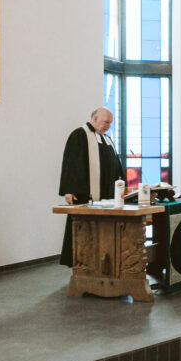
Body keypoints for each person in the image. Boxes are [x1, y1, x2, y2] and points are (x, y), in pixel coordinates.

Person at [58, 107, 124, 266]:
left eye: (110, 123)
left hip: (107, 199)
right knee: (84, 234)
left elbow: (116, 166)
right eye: (106, 122)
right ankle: (81, 266)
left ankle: (104, 264)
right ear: (94, 119)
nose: (109, 126)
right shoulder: (80, 135)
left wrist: (122, 184)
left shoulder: (107, 139)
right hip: (85, 196)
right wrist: (68, 190)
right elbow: (70, 163)